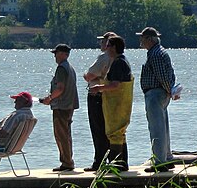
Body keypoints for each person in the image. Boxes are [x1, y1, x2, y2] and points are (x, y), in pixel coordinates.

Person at [89, 35, 133, 170]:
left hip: (117, 105)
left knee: (115, 133)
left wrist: (98, 87)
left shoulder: (119, 63)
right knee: (119, 133)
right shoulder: (121, 61)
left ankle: (116, 166)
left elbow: (115, 85)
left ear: (114, 47)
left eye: (108, 45)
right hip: (118, 104)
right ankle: (122, 164)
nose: (105, 48)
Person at [137, 25, 177, 171]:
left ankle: (160, 162)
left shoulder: (155, 54)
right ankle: (167, 157)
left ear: (149, 39)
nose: (140, 41)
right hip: (160, 94)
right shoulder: (159, 52)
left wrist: (169, 90)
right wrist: (170, 91)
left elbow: (163, 76)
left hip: (155, 95)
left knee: (157, 129)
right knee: (163, 127)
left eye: (142, 38)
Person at [39, 44, 79, 172]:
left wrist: (49, 99)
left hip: (62, 106)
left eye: (56, 53)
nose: (55, 56)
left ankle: (67, 163)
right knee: (66, 134)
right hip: (69, 105)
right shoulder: (70, 67)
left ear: (63, 54)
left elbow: (60, 88)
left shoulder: (61, 68)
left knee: (61, 135)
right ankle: (68, 161)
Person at [82, 31, 116, 171]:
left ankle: (99, 162)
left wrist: (86, 74)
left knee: (97, 129)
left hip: (97, 96)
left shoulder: (104, 57)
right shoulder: (117, 58)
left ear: (108, 43)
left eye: (103, 41)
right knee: (109, 129)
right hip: (109, 96)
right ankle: (112, 160)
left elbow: (89, 75)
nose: (101, 43)